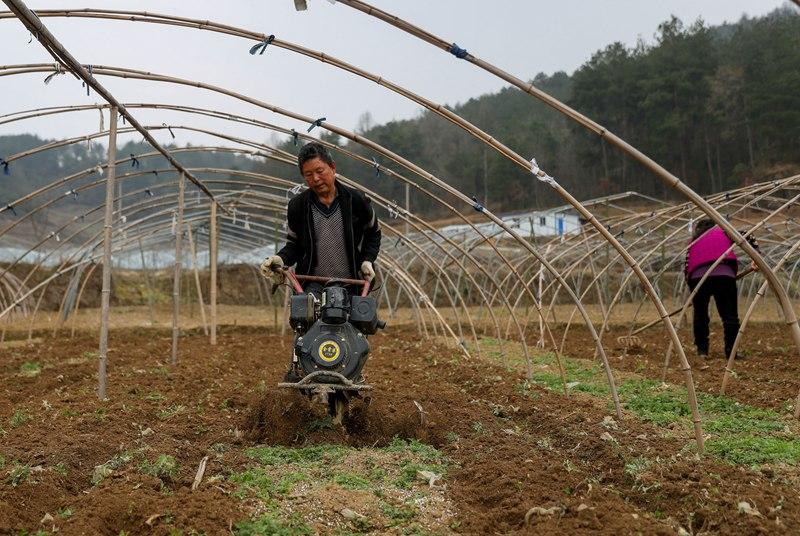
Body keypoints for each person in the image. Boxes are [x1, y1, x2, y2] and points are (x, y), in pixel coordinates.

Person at [260, 141, 381, 292]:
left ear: (332, 167)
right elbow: (294, 246)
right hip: (312, 284)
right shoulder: (298, 207)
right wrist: (280, 259)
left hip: (352, 283)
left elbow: (374, 233)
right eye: (309, 174)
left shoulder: (356, 201)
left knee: (363, 314)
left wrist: (367, 261)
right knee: (305, 313)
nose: (316, 178)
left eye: (320, 171)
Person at [685, 218, 751, 360]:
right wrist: (756, 257)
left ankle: (702, 350)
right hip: (724, 277)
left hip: (698, 279)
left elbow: (687, 266)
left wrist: (693, 292)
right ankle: (731, 351)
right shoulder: (725, 233)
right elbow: (747, 235)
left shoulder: (693, 241)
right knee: (730, 316)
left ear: (698, 229)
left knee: (700, 315)